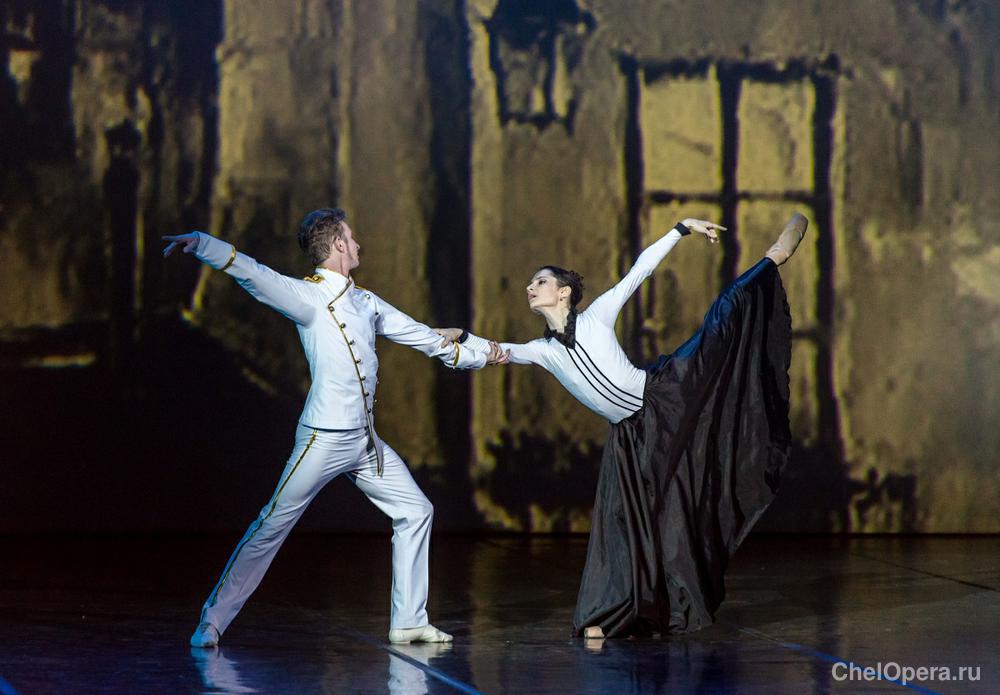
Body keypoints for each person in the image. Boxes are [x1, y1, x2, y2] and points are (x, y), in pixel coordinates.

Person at [438, 214, 807, 638]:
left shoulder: (596, 316)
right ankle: (611, 615)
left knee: (722, 319)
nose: (530, 288)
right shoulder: (543, 350)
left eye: (539, 282)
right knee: (625, 524)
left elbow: (640, 270)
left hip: (665, 398)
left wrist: (680, 229)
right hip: (631, 436)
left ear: (564, 292)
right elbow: (497, 352)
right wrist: (460, 337)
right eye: (530, 284)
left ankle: (772, 258)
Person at [163, 208, 505, 648]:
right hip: (322, 439)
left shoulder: (366, 301)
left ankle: (408, 621)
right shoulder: (308, 297)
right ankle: (212, 620)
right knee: (272, 524)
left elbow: (422, 336)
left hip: (365, 443)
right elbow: (254, 274)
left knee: (416, 510)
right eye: (352, 237)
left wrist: (480, 354)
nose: (359, 244)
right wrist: (203, 244)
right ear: (339, 244)